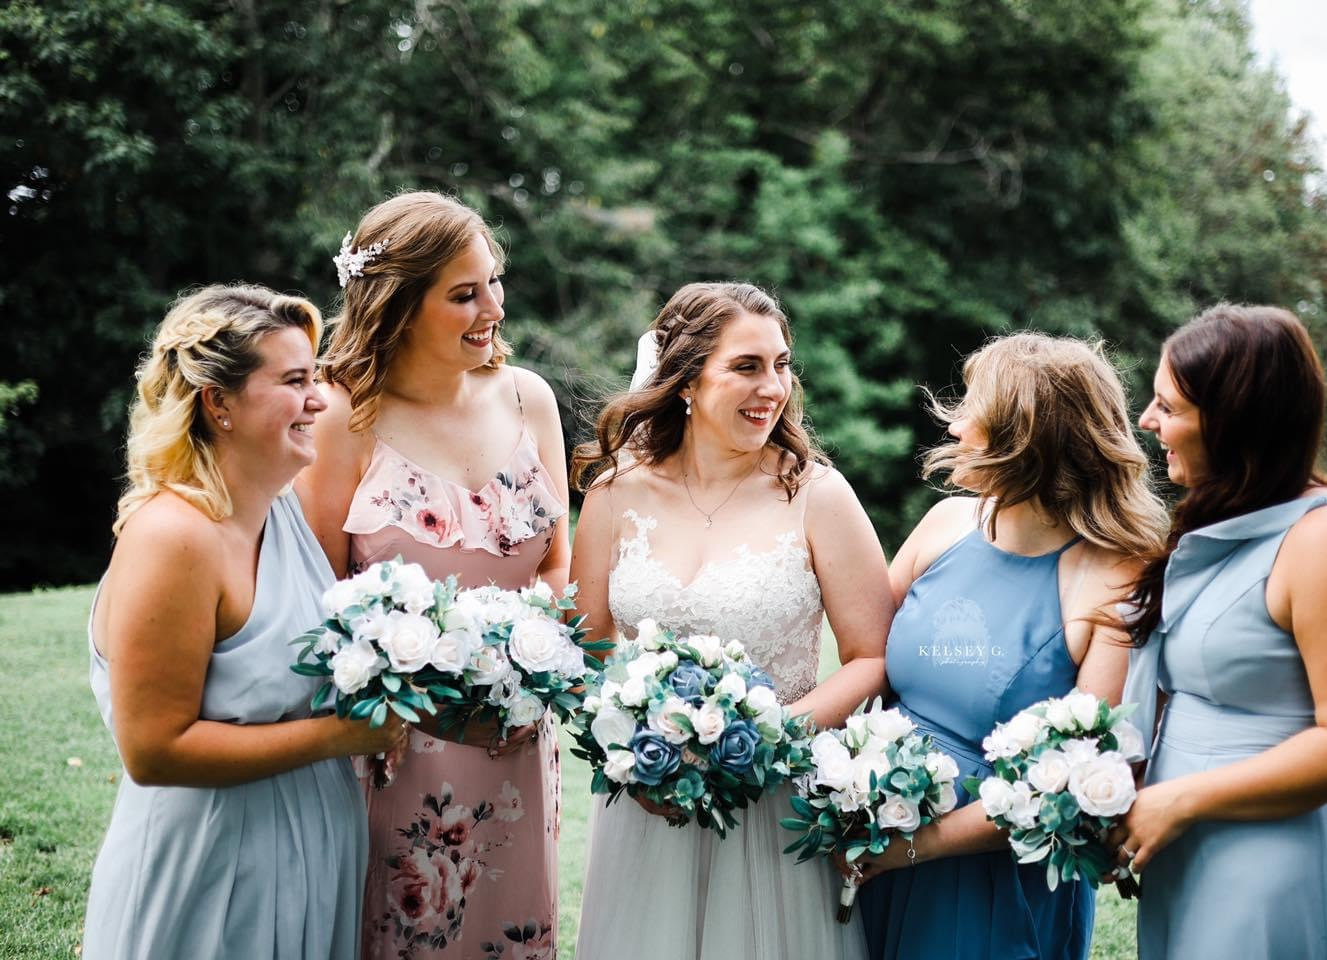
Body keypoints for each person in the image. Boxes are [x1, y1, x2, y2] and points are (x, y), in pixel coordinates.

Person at [569, 282, 895, 960]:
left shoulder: (817, 495)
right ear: (685, 381)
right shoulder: (614, 494)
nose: (773, 387)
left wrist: (769, 739)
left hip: (772, 801)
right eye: (747, 366)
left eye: (781, 364)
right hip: (646, 801)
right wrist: (632, 745)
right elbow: (588, 647)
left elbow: (871, 654)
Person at [83, 284, 406, 959]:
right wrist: (338, 735)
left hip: (313, 854)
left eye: (314, 376)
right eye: (294, 381)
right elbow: (153, 749)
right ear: (218, 402)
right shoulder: (173, 537)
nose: (320, 399)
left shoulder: (282, 511)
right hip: (212, 868)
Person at [296, 191, 570, 959]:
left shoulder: (529, 400)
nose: (494, 307)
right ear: (400, 305)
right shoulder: (339, 416)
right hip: (392, 749)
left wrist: (514, 668)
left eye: (494, 281)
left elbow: (555, 563)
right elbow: (317, 598)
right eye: (464, 293)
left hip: (513, 737)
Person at [854, 333, 1169, 960]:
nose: (955, 422)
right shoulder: (944, 525)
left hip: (996, 868)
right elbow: (866, 662)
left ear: (1026, 438)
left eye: (975, 408)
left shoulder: (1117, 576)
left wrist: (915, 847)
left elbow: (1079, 776)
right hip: (878, 827)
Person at [1111, 304, 1327, 958]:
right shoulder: (1218, 523)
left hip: (1273, 866)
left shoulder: (1326, 538)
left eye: (1169, 407)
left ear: (1237, 421)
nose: (1148, 422)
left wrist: (1178, 801)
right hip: (1190, 856)